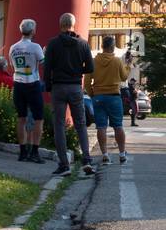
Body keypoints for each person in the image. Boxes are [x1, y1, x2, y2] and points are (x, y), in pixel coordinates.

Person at [43, 13, 95, 177]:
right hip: (75, 87)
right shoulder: (83, 44)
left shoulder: (52, 44)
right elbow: (90, 68)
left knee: (59, 125)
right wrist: (79, 70)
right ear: (74, 24)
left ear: (60, 24)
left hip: (58, 87)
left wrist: (49, 86)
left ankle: (64, 164)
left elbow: (47, 67)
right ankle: (86, 159)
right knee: (80, 123)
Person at [87, 35, 131, 166]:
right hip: (113, 97)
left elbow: (87, 82)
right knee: (118, 126)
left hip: (98, 97)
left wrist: (93, 95)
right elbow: (124, 77)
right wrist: (128, 66)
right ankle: (122, 154)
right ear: (112, 47)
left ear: (102, 46)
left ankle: (105, 155)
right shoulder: (117, 61)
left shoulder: (94, 61)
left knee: (101, 127)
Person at [9, 19, 46, 164]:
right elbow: (43, 63)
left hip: (18, 83)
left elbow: (12, 66)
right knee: (38, 118)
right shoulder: (36, 47)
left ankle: (22, 151)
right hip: (32, 83)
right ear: (33, 31)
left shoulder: (13, 47)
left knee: (21, 117)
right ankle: (35, 151)